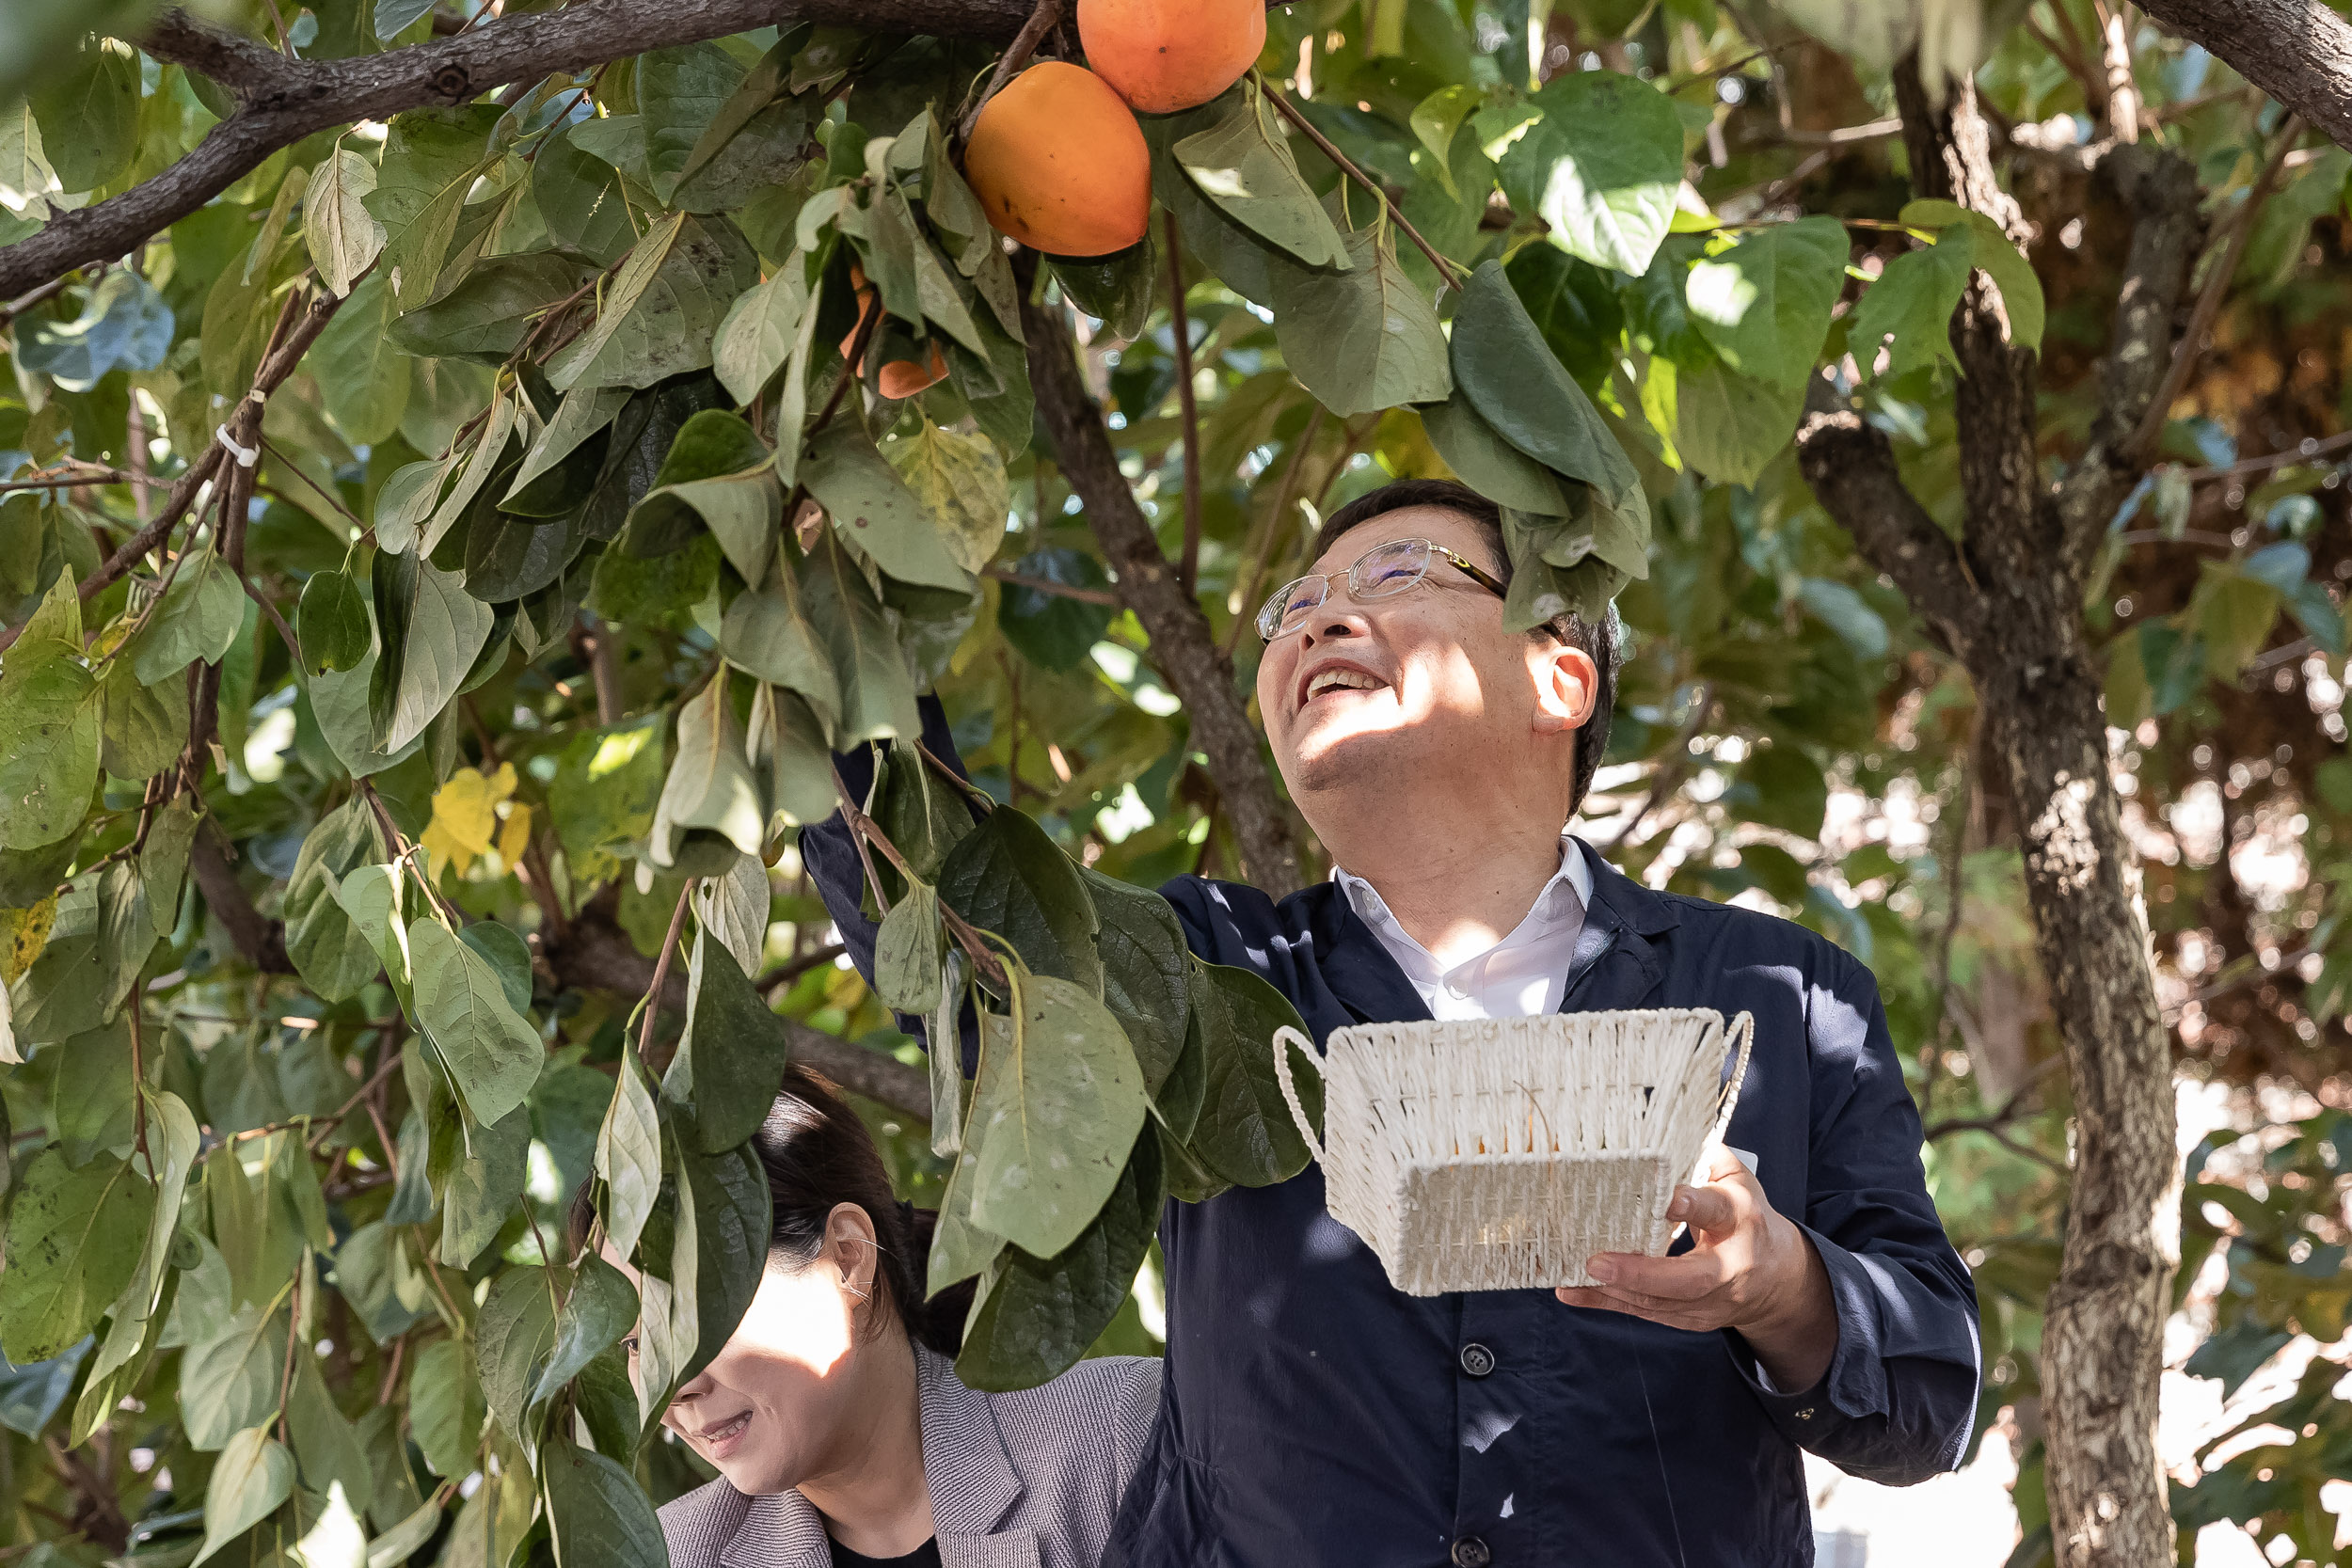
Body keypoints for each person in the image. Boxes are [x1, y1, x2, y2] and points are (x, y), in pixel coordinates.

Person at [804, 478, 1979, 1566]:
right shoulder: (1205, 974)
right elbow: (950, 934)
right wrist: (824, 577)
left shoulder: (1783, 995)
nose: (1316, 620)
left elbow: (1934, 1397)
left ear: (1557, 677)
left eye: (1396, 574)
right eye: (1295, 604)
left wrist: (1781, 1285)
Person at [613, 1062, 1161, 1568]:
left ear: (847, 1257)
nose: (670, 1386)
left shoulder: (1118, 1437)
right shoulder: (675, 1555)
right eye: (635, 1343)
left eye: (691, 1317)